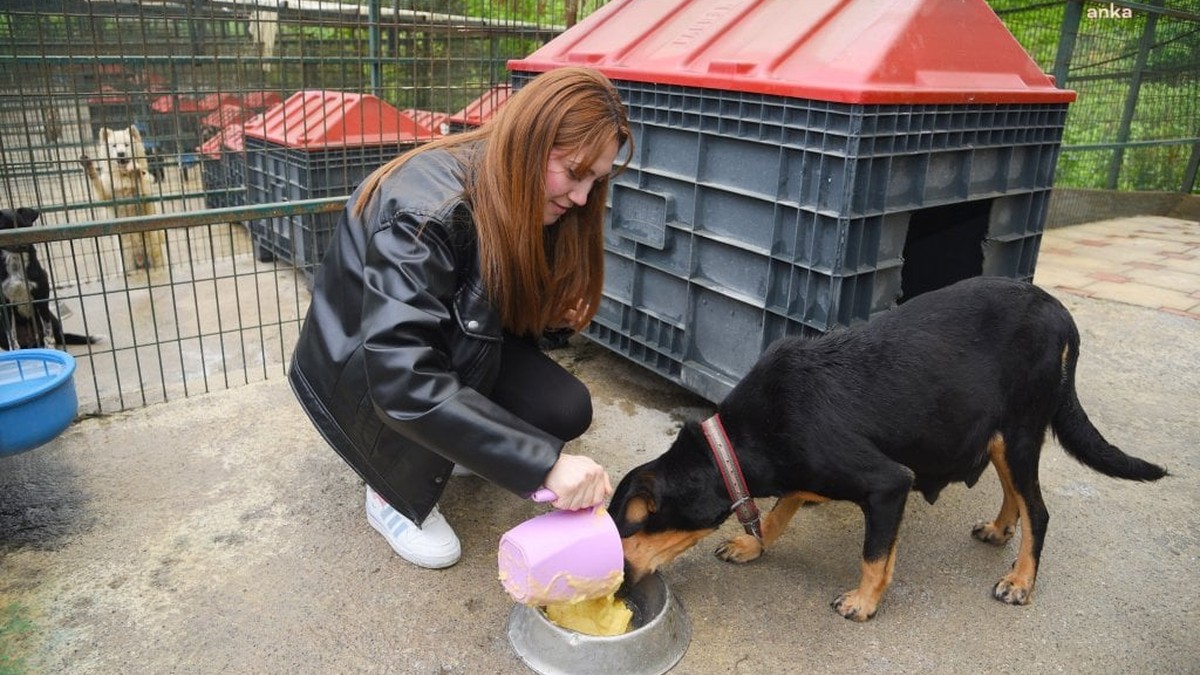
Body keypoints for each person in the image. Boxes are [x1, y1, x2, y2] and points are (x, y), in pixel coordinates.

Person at [288, 67, 633, 569]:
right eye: (575, 173)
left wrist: (553, 316)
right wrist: (544, 464)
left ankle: (457, 445)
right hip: (364, 370)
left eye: (594, 181)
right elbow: (402, 376)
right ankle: (389, 489)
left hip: (448, 338)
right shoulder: (424, 211)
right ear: (532, 142)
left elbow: (485, 306)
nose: (582, 198)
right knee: (523, 445)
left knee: (564, 409)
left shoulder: (520, 188)